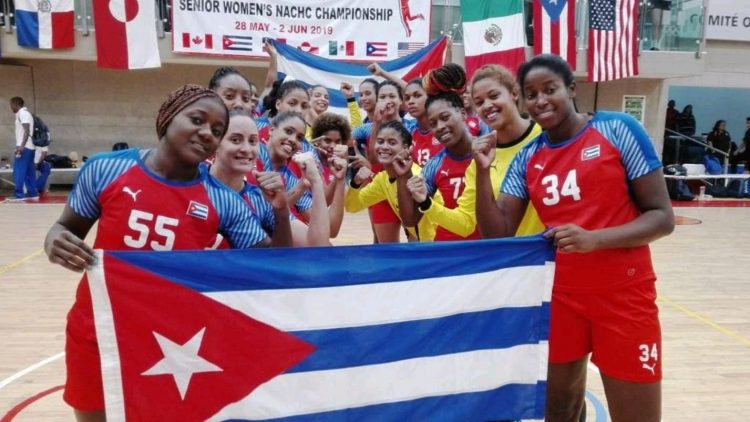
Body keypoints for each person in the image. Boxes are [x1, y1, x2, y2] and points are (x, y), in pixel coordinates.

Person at [44, 85, 270, 422]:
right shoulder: (107, 169)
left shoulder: (222, 200)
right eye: (197, 120)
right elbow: (65, 228)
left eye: (217, 131)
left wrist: (279, 211)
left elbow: (270, 266)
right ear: (166, 118)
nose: (207, 133)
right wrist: (55, 241)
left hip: (174, 342)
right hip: (98, 327)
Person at [475, 54, 674, 421]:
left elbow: (662, 218)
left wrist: (595, 239)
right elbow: (498, 231)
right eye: (531, 95)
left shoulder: (618, 129)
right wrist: (482, 173)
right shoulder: (528, 158)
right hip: (560, 297)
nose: (540, 101)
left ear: (570, 89)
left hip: (624, 295)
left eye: (549, 90)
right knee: (560, 410)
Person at [417, 64, 544, 239]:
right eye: (479, 102)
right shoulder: (480, 159)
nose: (487, 105)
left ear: (514, 92)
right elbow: (466, 224)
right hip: (512, 262)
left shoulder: (546, 136)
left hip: (556, 257)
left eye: (494, 96)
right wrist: (426, 203)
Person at [210, 111, 331, 246]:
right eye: (288, 131)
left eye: (300, 137)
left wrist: (316, 182)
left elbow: (320, 244)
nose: (246, 148)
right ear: (271, 130)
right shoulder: (195, 179)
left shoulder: (284, 181)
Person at [397, 87, 477, 241]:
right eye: (433, 123)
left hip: (490, 254)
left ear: (462, 113)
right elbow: (410, 220)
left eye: (445, 117)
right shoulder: (434, 165)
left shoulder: (489, 152)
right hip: (445, 250)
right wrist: (403, 176)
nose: (439, 127)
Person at [345, 120, 435, 241]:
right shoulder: (382, 179)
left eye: (392, 142)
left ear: (406, 148)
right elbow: (352, 207)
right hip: (425, 247)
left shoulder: (418, 178)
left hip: (441, 246)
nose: (384, 147)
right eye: (380, 142)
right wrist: (356, 183)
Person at [310, 112, 350, 238]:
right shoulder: (311, 159)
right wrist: (340, 176)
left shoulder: (336, 161)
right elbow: (325, 200)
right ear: (317, 141)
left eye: (337, 141)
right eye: (327, 140)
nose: (332, 146)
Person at [9, 96, 39, 201]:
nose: (11, 107)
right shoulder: (26, 114)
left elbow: (26, 130)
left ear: (16, 104)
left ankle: (19, 194)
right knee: (29, 171)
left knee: (19, 171)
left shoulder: (23, 113)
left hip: (24, 147)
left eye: (11, 105)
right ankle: (33, 193)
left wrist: (21, 146)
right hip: (30, 147)